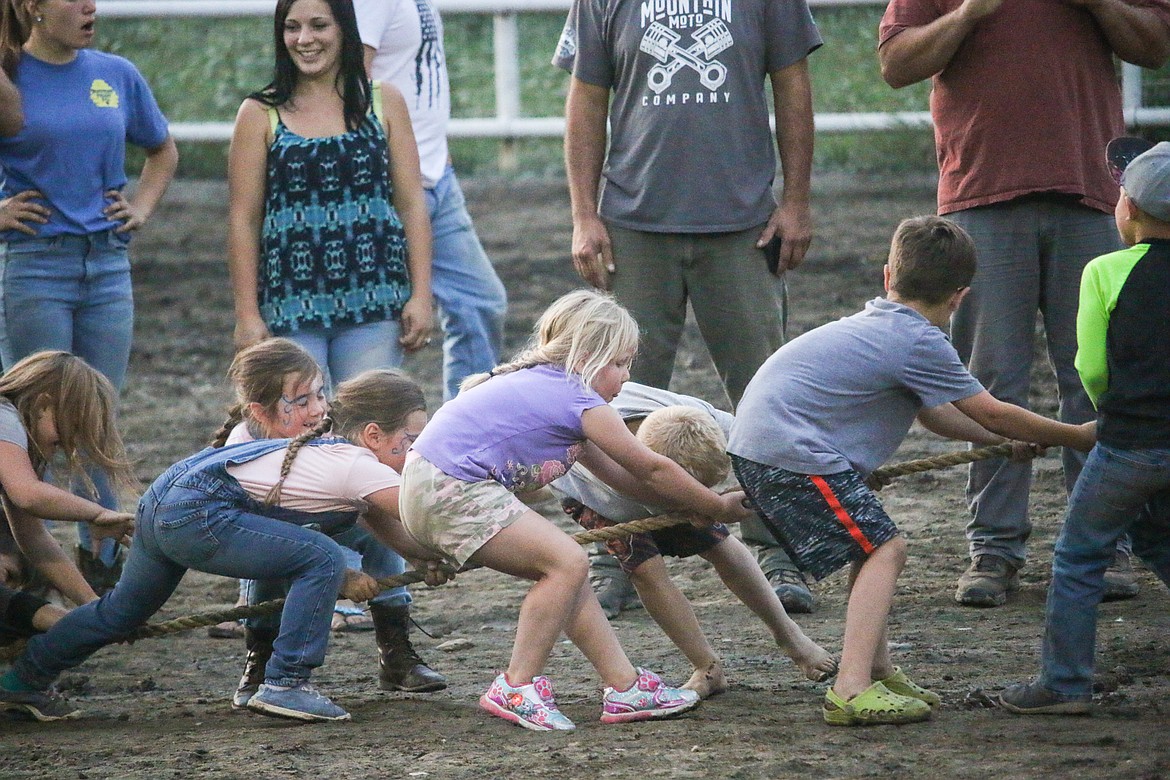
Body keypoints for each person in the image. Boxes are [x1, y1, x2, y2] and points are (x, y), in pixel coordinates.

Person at [727, 216, 1097, 725]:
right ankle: (851, 687)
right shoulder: (920, 340)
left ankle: (875, 670)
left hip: (768, 447)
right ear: (960, 296)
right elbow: (989, 409)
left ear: (887, 277)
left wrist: (1006, 442)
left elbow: (936, 415)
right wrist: (1076, 435)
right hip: (791, 454)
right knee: (887, 547)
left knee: (870, 545)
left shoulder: (883, 326)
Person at [877, 0, 1170, 607]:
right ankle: (994, 548)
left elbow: (1155, 43)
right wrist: (968, 14)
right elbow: (896, 63)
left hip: (1090, 194)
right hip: (981, 191)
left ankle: (1103, 542)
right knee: (990, 381)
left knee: (1098, 379)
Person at [553, 0, 823, 617]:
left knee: (764, 394)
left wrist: (797, 201)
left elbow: (792, 85)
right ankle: (616, 551)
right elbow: (587, 97)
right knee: (611, 404)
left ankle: (777, 549)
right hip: (634, 226)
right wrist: (584, 213)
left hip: (744, 225)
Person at [0, 369, 454, 723]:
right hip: (199, 511)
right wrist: (350, 574)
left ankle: (23, 679)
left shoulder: (326, 451)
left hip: (165, 499)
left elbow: (387, 523)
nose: (416, 456)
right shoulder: (356, 464)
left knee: (119, 611)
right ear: (373, 435)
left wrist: (423, 558)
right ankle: (285, 682)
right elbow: (430, 514)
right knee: (321, 558)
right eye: (411, 443)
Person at [399, 289, 756, 731]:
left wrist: (689, 507)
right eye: (621, 363)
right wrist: (715, 505)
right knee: (567, 562)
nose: (626, 376)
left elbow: (624, 478)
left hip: (429, 487)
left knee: (566, 577)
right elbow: (650, 466)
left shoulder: (550, 392)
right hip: (452, 488)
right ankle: (516, 685)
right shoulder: (577, 398)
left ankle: (624, 687)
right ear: (588, 356)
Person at [0, 0, 178, 592]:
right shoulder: (9, 74)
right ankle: (33, 561)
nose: (90, 6)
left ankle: (101, 560)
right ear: (32, 8)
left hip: (106, 264)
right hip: (34, 265)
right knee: (37, 421)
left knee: (98, 414)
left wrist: (141, 207)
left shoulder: (115, 73)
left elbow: (162, 149)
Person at [998, 140, 1170, 715]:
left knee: (1078, 557)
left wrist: (1107, 412)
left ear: (1130, 210)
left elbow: (1089, 366)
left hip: (1129, 446)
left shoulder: (1105, 270)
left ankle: (1065, 683)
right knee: (1156, 539)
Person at [550, 388, 837, 698]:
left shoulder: (719, 425)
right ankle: (707, 666)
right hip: (591, 491)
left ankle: (791, 637)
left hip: (651, 467)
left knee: (719, 544)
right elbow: (649, 487)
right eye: (690, 488)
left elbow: (776, 458)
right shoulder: (605, 466)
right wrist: (709, 505)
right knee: (645, 568)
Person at [213, 341, 444, 704]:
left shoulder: (328, 433)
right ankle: (260, 658)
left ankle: (396, 653)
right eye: (302, 400)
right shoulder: (244, 445)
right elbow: (270, 532)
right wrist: (344, 574)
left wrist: (419, 555)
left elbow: (368, 510)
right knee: (267, 571)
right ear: (260, 410)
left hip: (327, 521)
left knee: (379, 534)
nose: (317, 408)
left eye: (319, 395)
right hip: (272, 535)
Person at [228, 0, 434, 388]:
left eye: (319, 25)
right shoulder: (259, 113)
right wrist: (247, 314)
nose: (304, 39)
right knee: (301, 432)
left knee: (366, 428)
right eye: (292, 27)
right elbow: (244, 219)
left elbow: (411, 205)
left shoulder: (384, 102)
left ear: (344, 30)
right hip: (289, 306)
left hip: (376, 300)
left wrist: (421, 295)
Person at [353, 0, 508, 403]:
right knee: (386, 324)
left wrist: (438, 151)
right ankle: (365, 441)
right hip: (394, 182)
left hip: (437, 176)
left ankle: (464, 433)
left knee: (479, 301)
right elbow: (354, 81)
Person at [0, 351, 136, 612]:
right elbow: (29, 495)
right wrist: (96, 513)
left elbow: (34, 537)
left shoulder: (21, 449)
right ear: (42, 405)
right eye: (61, 436)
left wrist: (93, 607)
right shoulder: (5, 417)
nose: (62, 447)